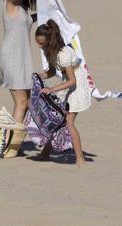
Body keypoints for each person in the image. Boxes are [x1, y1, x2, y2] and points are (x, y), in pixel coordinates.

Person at [34, 19, 91, 167]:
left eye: (41, 43)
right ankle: (46, 153)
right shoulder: (49, 52)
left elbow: (72, 80)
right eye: (38, 43)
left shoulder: (64, 54)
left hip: (76, 84)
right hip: (68, 83)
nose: (39, 46)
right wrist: (37, 76)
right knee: (55, 118)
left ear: (50, 41)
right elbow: (52, 72)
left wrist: (51, 89)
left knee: (68, 122)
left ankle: (80, 158)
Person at [0, 0, 37, 123]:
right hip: (12, 56)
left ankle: (12, 141)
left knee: (26, 102)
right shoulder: (10, 2)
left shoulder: (22, 9)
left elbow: (28, 21)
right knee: (21, 102)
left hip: (22, 57)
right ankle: (11, 144)